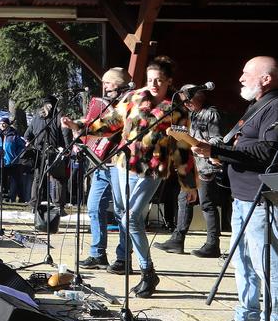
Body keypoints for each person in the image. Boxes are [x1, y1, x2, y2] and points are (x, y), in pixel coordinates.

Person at [65, 56, 196, 299]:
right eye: (149, 80)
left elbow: (182, 149)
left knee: (131, 217)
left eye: (159, 80)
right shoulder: (133, 98)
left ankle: (148, 272)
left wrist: (188, 183)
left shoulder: (176, 110)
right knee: (125, 217)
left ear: (169, 81)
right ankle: (135, 265)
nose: (153, 84)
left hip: (152, 169)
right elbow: (111, 122)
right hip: (123, 164)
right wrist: (80, 125)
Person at [189, 57, 278, 321]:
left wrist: (219, 152)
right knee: (243, 260)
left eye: (247, 74)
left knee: (267, 262)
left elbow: (268, 151)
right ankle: (247, 315)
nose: (241, 78)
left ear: (266, 79)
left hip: (263, 197)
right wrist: (216, 150)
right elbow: (245, 144)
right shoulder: (259, 105)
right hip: (242, 195)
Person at [159, 85, 225, 257]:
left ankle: (213, 244)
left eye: (189, 100)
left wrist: (199, 143)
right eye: (184, 101)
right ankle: (177, 240)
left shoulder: (211, 113)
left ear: (200, 96)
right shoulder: (190, 114)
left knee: (207, 204)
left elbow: (218, 139)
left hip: (205, 164)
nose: (186, 104)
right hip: (191, 164)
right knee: (184, 199)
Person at [78, 68, 129, 269]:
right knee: (93, 207)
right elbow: (92, 125)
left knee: (121, 210)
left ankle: (124, 258)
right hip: (100, 163)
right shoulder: (102, 104)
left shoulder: (128, 104)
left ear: (118, 83)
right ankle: (97, 254)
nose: (105, 86)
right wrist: (77, 126)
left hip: (119, 163)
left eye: (108, 83)